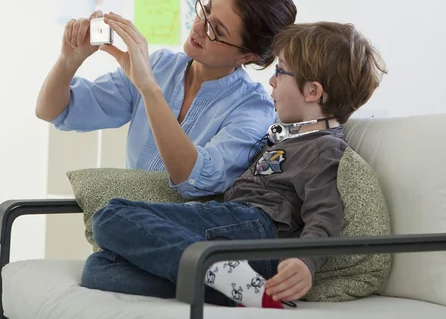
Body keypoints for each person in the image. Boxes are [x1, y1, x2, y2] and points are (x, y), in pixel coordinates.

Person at [80, 22, 388, 308]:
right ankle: (242, 289)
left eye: (280, 72)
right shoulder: (284, 138)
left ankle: (221, 275)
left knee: (109, 215)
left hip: (254, 229)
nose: (271, 79)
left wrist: (305, 262)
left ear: (312, 91)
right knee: (99, 269)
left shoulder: (324, 147)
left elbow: (326, 213)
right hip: (233, 231)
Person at [35, 0, 297, 198]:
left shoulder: (254, 109)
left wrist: (149, 89)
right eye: (206, 9)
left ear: (247, 55)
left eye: (216, 30)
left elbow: (195, 179)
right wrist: (69, 61)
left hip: (186, 244)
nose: (197, 27)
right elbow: (54, 111)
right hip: (124, 222)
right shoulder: (160, 67)